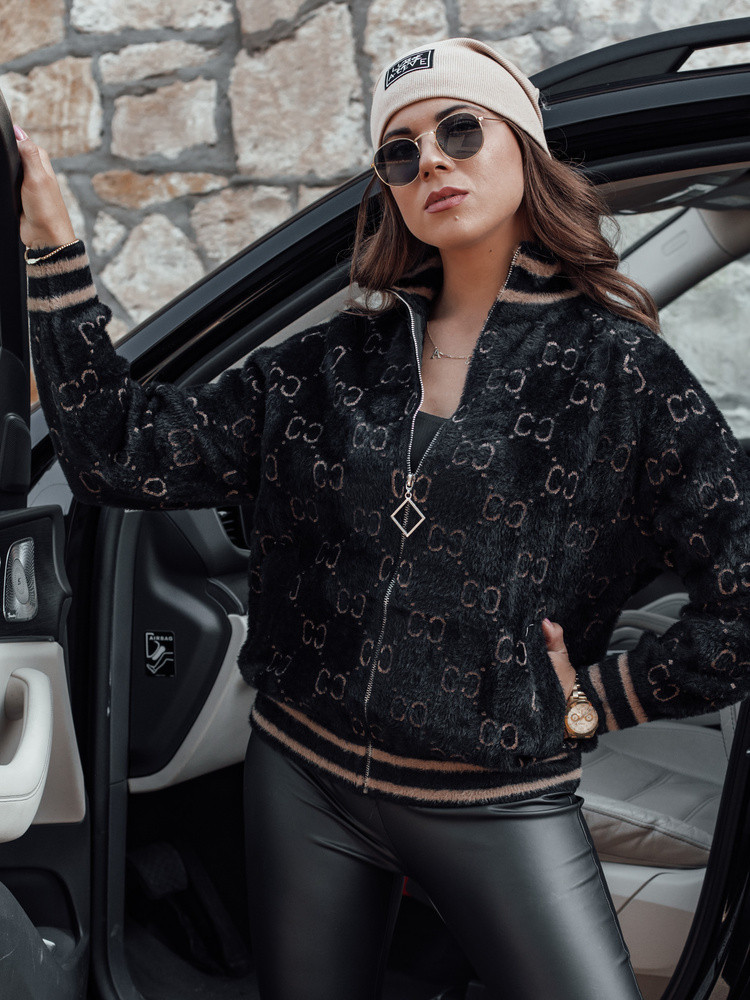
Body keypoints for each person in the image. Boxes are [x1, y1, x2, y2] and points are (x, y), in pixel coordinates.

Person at [14, 35, 750, 1000]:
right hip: (302, 774)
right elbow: (120, 450)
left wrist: (601, 700)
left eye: (460, 130)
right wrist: (52, 246)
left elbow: (742, 598)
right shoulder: (333, 361)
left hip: (493, 798)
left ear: (525, 149)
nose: (431, 160)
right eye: (400, 152)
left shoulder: (623, 372)